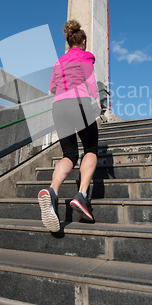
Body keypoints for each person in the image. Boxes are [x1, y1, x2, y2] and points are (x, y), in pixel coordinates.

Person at [38, 20, 101, 232]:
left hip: (59, 106)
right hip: (79, 102)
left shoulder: (60, 61)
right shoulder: (85, 55)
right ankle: (82, 195)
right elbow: (90, 79)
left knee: (69, 154)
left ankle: (53, 191)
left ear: (67, 42)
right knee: (90, 148)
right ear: (83, 42)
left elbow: (52, 87)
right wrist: (97, 101)